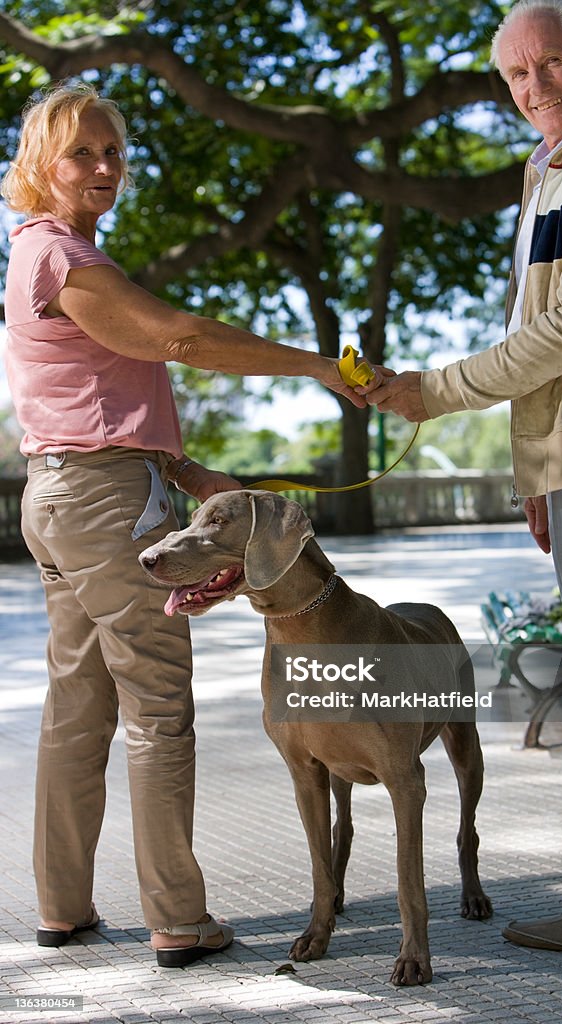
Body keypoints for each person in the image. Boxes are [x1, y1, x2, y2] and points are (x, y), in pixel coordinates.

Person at [0, 84, 372, 967]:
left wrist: (182, 466)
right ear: (38, 165)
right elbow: (182, 339)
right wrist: (320, 366)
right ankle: (179, 918)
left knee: (77, 708)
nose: (102, 167)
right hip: (100, 502)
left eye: (113, 153)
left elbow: (98, 395)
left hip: (59, 494)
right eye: (81, 152)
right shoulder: (64, 258)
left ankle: (62, 906)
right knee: (158, 709)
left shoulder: (37, 254)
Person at [363, 0, 562, 953]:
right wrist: (534, 470)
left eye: (549, 64)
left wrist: (432, 391)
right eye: (514, 75)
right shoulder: (550, 168)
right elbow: (537, 326)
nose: (533, 87)